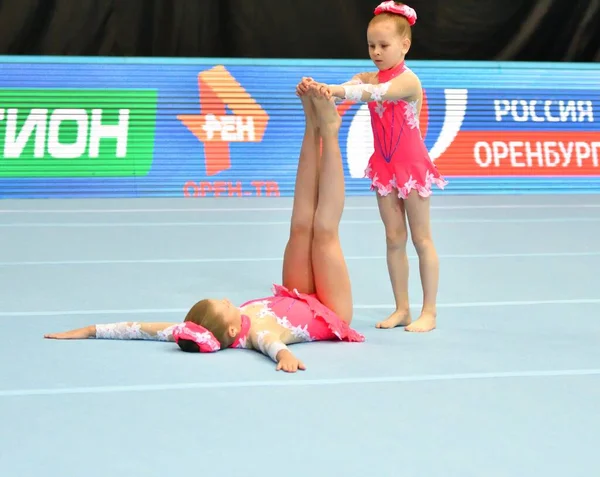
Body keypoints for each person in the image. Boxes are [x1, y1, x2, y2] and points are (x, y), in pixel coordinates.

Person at [44, 81, 365, 373]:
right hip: (329, 311)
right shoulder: (257, 334)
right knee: (323, 232)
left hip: (297, 295)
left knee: (298, 227)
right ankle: (331, 131)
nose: (228, 300)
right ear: (228, 332)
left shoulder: (204, 328)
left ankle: (311, 126)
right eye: (224, 306)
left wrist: (89, 330)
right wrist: (286, 358)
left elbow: (144, 329)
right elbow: (274, 347)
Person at [305, 1, 447, 333]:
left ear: (404, 45)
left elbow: (374, 93)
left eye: (384, 45)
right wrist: (322, 90)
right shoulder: (370, 74)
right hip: (384, 166)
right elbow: (357, 84)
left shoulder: (408, 82)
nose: (376, 52)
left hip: (411, 168)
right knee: (394, 238)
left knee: (421, 239)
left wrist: (339, 91)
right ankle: (402, 308)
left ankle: (430, 311)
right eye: (371, 45)